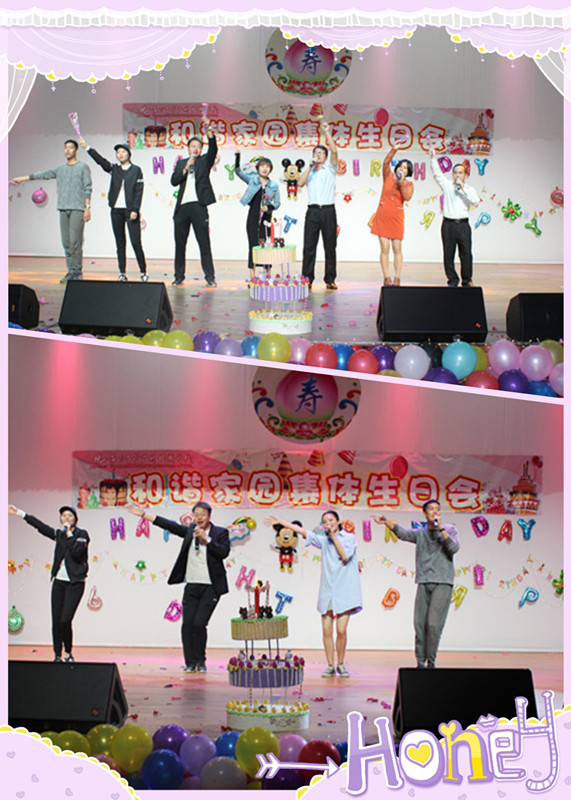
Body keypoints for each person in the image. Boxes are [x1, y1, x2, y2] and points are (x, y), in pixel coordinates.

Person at [127, 500, 229, 672]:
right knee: (187, 624)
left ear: (209, 516)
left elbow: (224, 552)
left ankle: (200, 661)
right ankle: (190, 662)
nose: (199, 518)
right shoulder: (190, 531)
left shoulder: (220, 532)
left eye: (203, 514)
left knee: (199, 624)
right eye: (196, 514)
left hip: (211, 586)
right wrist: (144, 515)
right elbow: (170, 525)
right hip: (192, 585)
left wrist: (207, 539)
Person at [265, 510, 362, 678]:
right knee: (326, 630)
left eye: (331, 520)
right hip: (328, 590)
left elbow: (345, 556)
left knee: (341, 630)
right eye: (325, 521)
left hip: (344, 590)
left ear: (338, 522)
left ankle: (341, 663)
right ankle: (330, 665)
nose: (328, 523)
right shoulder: (323, 540)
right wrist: (281, 521)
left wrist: (333, 536)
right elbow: (302, 531)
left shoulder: (349, 538)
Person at [373, 499, 460, 669]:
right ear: (425, 514)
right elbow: (403, 533)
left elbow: (454, 548)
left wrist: (441, 529)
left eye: (438, 509)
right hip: (424, 581)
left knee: (434, 625)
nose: (435, 512)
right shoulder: (421, 533)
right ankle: (420, 663)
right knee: (420, 624)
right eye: (431, 509)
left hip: (443, 582)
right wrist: (386, 522)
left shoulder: (449, 530)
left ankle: (431, 662)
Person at [8, 504, 89, 662]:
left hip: (75, 584)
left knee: (66, 620)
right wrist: (20, 513)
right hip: (59, 583)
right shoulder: (59, 535)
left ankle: (68, 652)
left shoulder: (82, 534)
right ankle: (57, 655)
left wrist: (69, 533)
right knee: (56, 621)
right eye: (63, 516)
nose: (66, 518)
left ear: (75, 519)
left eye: (70, 515)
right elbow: (41, 527)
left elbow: (77, 552)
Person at [10, 140, 92, 283]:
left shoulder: (83, 167)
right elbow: (43, 174)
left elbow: (88, 188)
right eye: (65, 148)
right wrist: (22, 179)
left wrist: (87, 208)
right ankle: (70, 271)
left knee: (75, 242)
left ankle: (77, 272)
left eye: (71, 148)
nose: (67, 150)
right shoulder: (60, 169)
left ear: (76, 151)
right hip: (63, 208)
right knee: (66, 243)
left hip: (77, 208)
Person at [79, 137, 148, 282]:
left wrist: (135, 210)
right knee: (120, 243)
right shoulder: (115, 169)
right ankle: (122, 273)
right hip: (116, 211)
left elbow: (139, 191)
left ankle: (143, 272)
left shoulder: (136, 170)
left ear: (129, 154)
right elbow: (101, 161)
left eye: (123, 151)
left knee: (136, 242)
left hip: (130, 211)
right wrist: (87, 148)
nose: (120, 154)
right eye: (118, 152)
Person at [170, 117, 218, 288]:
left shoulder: (204, 161)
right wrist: (185, 168)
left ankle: (210, 277)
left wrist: (209, 130)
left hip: (199, 205)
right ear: (188, 148)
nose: (195, 149)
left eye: (198, 147)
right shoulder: (182, 163)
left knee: (204, 243)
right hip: (182, 208)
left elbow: (213, 149)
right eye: (193, 146)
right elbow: (174, 181)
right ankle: (179, 276)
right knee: (180, 244)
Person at [298, 120, 339, 291]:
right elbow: (300, 183)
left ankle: (330, 279)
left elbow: (334, 151)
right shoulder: (310, 171)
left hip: (328, 211)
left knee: (330, 246)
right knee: (309, 246)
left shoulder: (330, 168)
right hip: (313, 211)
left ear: (326, 157)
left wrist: (326, 132)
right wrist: (310, 166)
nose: (318, 155)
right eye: (316, 153)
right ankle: (307, 279)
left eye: (321, 153)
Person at [430, 148, 480, 287]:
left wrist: (462, 188)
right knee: (448, 254)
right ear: (452, 175)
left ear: (465, 175)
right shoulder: (447, 186)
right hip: (448, 225)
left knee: (466, 253)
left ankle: (467, 280)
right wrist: (433, 158)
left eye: (460, 172)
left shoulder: (469, 189)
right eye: (455, 172)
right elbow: (437, 174)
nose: (457, 175)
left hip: (463, 225)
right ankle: (452, 280)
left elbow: (475, 201)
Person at [368, 147, 414, 286]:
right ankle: (386, 277)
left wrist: (401, 182)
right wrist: (394, 149)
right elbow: (385, 162)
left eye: (405, 168)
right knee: (384, 248)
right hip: (383, 215)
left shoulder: (409, 184)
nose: (402, 169)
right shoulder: (388, 176)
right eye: (400, 166)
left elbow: (407, 197)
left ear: (408, 172)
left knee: (397, 248)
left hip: (396, 218)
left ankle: (397, 277)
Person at [235, 152, 281, 277]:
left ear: (270, 169)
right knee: (253, 246)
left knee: (266, 247)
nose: (265, 169)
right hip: (253, 217)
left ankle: (267, 276)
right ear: (258, 168)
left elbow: (277, 203)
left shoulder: (274, 185)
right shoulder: (252, 180)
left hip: (266, 220)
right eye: (262, 166)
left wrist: (268, 208)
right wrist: (237, 156)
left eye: (267, 166)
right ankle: (253, 277)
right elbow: (238, 171)